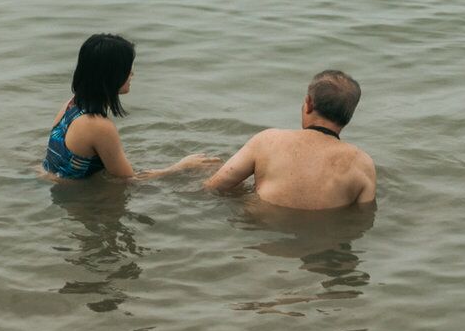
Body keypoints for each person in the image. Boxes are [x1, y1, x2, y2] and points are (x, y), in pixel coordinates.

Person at [41, 33, 211, 183]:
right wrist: (180, 167)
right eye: (127, 68)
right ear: (111, 74)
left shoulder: (72, 104)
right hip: (74, 200)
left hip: (52, 182)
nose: (132, 74)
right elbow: (129, 180)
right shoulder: (97, 125)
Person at [200, 70, 376, 210]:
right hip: (320, 239)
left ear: (308, 103)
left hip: (261, 234)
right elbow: (361, 217)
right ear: (349, 117)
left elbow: (213, 188)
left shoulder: (268, 140)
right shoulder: (363, 163)